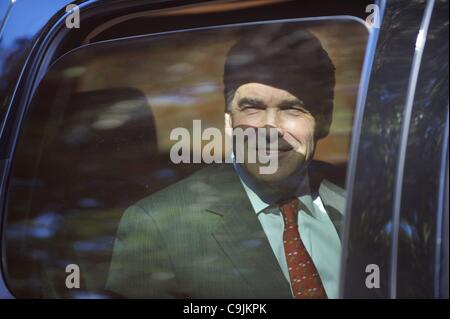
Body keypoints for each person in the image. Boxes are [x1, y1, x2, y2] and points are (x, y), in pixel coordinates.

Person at [106, 23, 345, 299]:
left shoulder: (367, 200)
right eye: (253, 108)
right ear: (229, 122)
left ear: (324, 120)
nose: (269, 129)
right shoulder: (159, 226)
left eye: (292, 108)